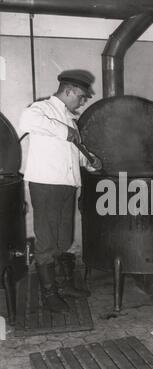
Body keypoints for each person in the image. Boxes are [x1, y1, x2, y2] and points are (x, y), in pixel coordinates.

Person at [19, 69, 102, 313]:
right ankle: (49, 295)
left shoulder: (69, 117)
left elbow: (74, 150)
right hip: (46, 184)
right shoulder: (40, 109)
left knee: (64, 238)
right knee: (46, 239)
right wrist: (64, 131)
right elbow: (26, 122)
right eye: (82, 96)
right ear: (68, 91)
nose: (84, 101)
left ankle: (64, 286)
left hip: (67, 184)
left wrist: (90, 160)